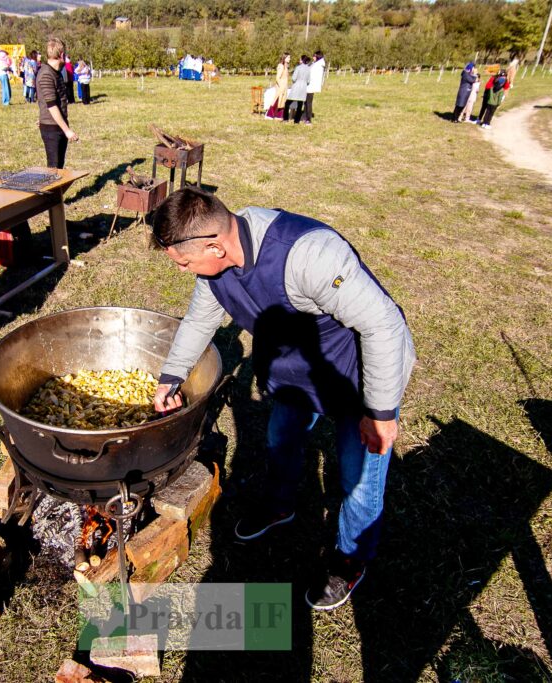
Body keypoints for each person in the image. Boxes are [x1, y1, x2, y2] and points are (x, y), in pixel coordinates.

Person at [150, 187, 416, 611]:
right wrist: (171, 376)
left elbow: (382, 325)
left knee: (359, 480)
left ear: (215, 246)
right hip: (296, 373)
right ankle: (279, 506)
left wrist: (380, 411)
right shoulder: (214, 271)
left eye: (184, 262)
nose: (183, 271)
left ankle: (351, 560)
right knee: (282, 439)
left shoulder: (308, 255)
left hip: (357, 373)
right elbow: (201, 319)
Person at [36, 37, 78, 168]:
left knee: (59, 166)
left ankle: (57, 189)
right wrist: (67, 130)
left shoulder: (56, 73)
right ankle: (50, 190)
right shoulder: (46, 74)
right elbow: (51, 105)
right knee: (54, 169)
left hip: (56, 125)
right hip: (52, 128)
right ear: (62, 55)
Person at [288, 55, 312, 124]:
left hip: (296, 87)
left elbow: (293, 78)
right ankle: (297, 120)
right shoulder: (308, 69)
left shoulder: (298, 68)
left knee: (290, 102)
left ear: (302, 60)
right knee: (300, 105)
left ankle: (288, 117)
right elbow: (308, 81)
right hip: (303, 88)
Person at [266, 54, 291, 121]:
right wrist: (281, 86)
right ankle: (270, 114)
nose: (289, 59)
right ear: (284, 58)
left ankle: (279, 115)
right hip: (280, 87)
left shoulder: (286, 66)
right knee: (277, 100)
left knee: (282, 101)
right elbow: (278, 77)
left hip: (284, 87)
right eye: (288, 57)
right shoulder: (281, 66)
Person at [307, 50, 325, 122]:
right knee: (307, 102)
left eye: (314, 56)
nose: (313, 57)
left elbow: (311, 75)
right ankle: (307, 116)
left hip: (311, 85)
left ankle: (308, 118)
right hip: (311, 85)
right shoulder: (316, 64)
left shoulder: (317, 65)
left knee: (308, 102)